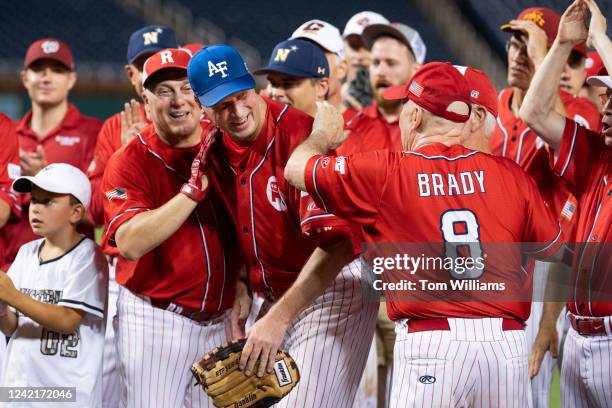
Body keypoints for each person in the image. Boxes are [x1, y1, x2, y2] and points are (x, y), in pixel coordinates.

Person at [284, 61, 566, 407]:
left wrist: (320, 136)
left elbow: (296, 169)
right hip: (504, 346)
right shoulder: (512, 175)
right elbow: (553, 250)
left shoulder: (387, 171)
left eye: (405, 106)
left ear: (415, 117)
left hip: (431, 344)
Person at [188, 44, 377, 408]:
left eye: (241, 95)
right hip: (279, 292)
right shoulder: (214, 150)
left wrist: (277, 320)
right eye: (224, 105)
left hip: (334, 286)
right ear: (204, 109)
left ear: (253, 87)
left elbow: (338, 244)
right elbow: (237, 225)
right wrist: (242, 283)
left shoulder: (298, 137)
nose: (239, 111)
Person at [102, 48, 241, 408]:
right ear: (146, 103)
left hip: (223, 321)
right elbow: (130, 242)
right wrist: (190, 194)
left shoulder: (226, 142)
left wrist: (242, 282)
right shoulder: (128, 161)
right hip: (157, 321)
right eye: (164, 91)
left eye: (185, 88)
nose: (178, 101)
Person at [519, 1, 611, 407]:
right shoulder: (594, 155)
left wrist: (601, 40)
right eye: (603, 97)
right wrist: (560, 46)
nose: (604, 109)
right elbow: (534, 112)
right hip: (579, 336)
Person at [85, 26, 179, 408]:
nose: (155, 68)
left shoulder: (193, 121)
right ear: (132, 75)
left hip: (191, 276)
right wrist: (124, 159)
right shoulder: (113, 129)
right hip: (129, 276)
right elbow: (95, 208)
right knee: (116, 391)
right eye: (145, 64)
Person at [0, 163, 107, 407]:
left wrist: (12, 295)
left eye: (48, 201)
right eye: (34, 200)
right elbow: (11, 325)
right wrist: (2, 305)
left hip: (65, 393)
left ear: (75, 213)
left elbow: (68, 320)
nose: (35, 208)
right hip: (21, 387)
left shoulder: (88, 256)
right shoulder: (26, 253)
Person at [0, 39, 102, 272]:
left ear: (71, 79)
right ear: (25, 78)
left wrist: (45, 181)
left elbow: (99, 212)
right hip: (10, 269)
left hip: (68, 271)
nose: (47, 78)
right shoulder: (7, 134)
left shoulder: (94, 133)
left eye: (57, 70)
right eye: (38, 70)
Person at [338, 22, 425, 154]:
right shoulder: (348, 124)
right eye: (376, 63)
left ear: (416, 71)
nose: (380, 71)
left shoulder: (432, 128)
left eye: (391, 63)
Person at [254, 38, 330, 117]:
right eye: (273, 83)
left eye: (288, 84)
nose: (276, 92)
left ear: (321, 87)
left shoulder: (338, 129)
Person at [291, 19, 348, 111]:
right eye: (300, 53)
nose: (305, 64)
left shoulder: (363, 124)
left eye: (317, 55)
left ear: (341, 69)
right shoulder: (274, 117)